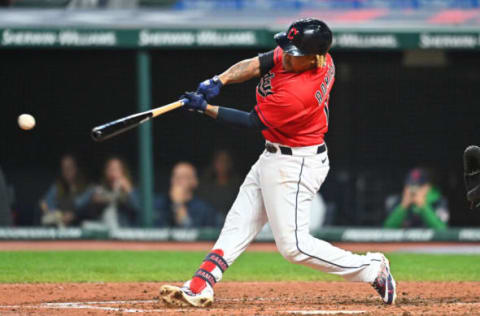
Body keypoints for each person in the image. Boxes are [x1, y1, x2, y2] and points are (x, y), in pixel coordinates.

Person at [160, 18, 396, 307]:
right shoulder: (307, 55)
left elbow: (251, 120)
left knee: (294, 247)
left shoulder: (298, 95)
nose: (286, 55)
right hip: (273, 156)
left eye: (294, 53)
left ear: (314, 59)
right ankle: (201, 282)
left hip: (296, 164)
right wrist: (217, 81)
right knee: (238, 222)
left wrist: (204, 107)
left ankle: (373, 268)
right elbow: (258, 63)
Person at [155, 162, 216, 228]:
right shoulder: (159, 204)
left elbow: (191, 234)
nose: (178, 181)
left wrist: (178, 204)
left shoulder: (204, 210)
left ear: (194, 182)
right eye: (176, 176)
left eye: (184, 177)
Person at [384, 168, 449, 230]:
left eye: (418, 186)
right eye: (410, 186)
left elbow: (442, 229)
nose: (414, 190)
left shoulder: (438, 201)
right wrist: (403, 206)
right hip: (405, 241)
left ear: (427, 187)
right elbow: (386, 229)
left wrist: (423, 206)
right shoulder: (398, 201)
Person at [83, 157, 138, 229]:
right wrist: (93, 201)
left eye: (116, 169)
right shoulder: (99, 189)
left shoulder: (128, 190)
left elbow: (137, 208)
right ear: (105, 172)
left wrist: (129, 190)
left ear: (123, 172)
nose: (112, 172)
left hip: (122, 232)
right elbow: (80, 207)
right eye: (110, 169)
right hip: (103, 232)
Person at [39, 154, 93, 228]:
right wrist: (58, 214)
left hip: (81, 225)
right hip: (61, 224)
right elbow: (45, 203)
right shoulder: (57, 187)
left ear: (76, 168)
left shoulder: (88, 188)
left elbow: (82, 205)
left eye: (69, 167)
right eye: (64, 168)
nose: (67, 171)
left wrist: (74, 215)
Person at [197, 150, 241, 225]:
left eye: (226, 161)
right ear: (214, 164)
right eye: (220, 161)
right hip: (209, 223)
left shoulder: (238, 186)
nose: (223, 165)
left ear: (230, 164)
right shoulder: (205, 187)